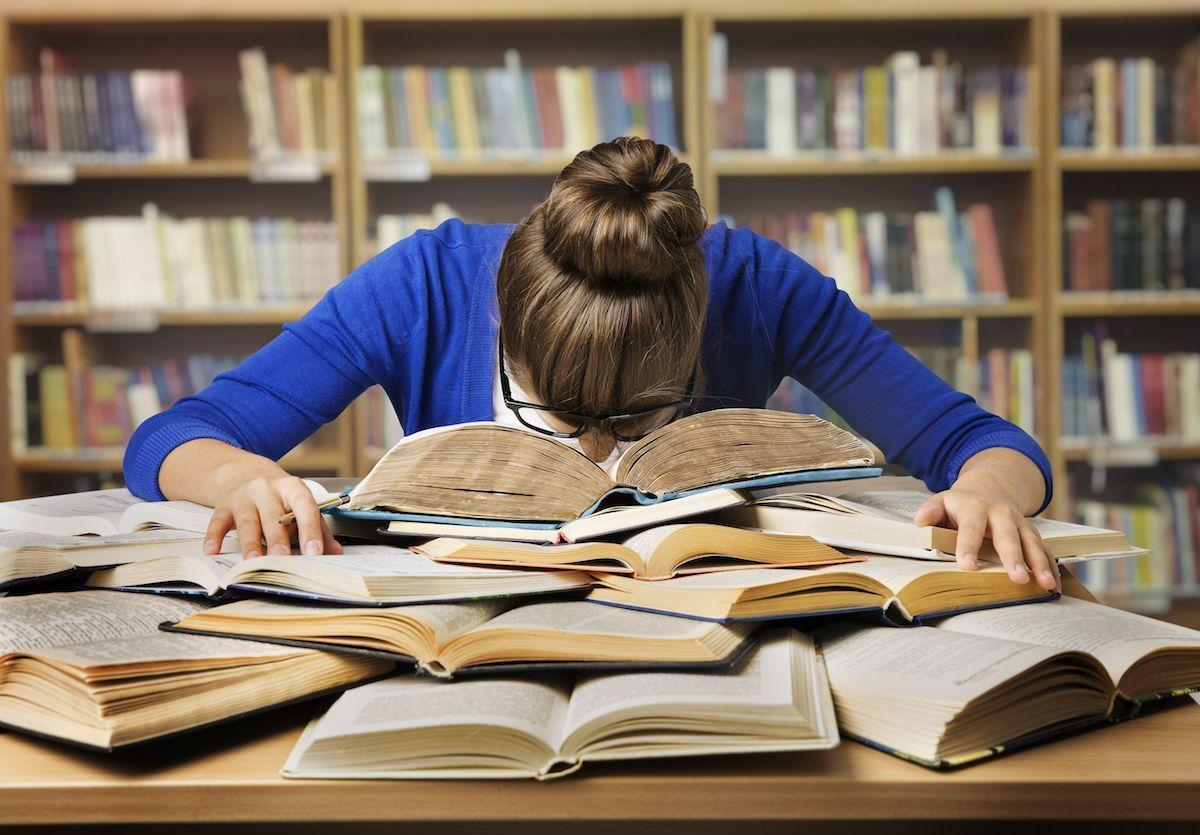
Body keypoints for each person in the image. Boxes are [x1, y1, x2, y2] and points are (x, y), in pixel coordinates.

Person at [123, 137, 1057, 591]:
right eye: (555, 419)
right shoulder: (424, 285)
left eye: (642, 422)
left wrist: (990, 493)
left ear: (699, 324)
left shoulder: (757, 285)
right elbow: (169, 439)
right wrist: (239, 474)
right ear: (505, 329)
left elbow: (979, 440)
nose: (600, 461)